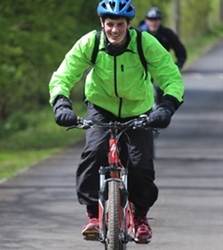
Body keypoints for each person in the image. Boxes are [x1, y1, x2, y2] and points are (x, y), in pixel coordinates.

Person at [49, 0, 185, 244]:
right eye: (109, 24)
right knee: (93, 152)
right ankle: (93, 215)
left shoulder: (145, 43)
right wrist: (61, 103)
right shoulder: (91, 43)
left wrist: (166, 107)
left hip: (138, 109)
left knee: (140, 165)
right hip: (100, 107)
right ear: (102, 23)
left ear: (129, 24)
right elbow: (64, 74)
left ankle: (141, 217)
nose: (114, 30)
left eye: (120, 24)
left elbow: (171, 77)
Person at [139, 6, 187, 104]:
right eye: (151, 19)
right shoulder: (138, 34)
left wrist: (177, 66)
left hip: (160, 69)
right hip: (142, 70)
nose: (153, 22)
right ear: (146, 20)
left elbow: (181, 52)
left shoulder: (167, 34)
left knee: (162, 94)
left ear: (160, 21)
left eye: (156, 19)